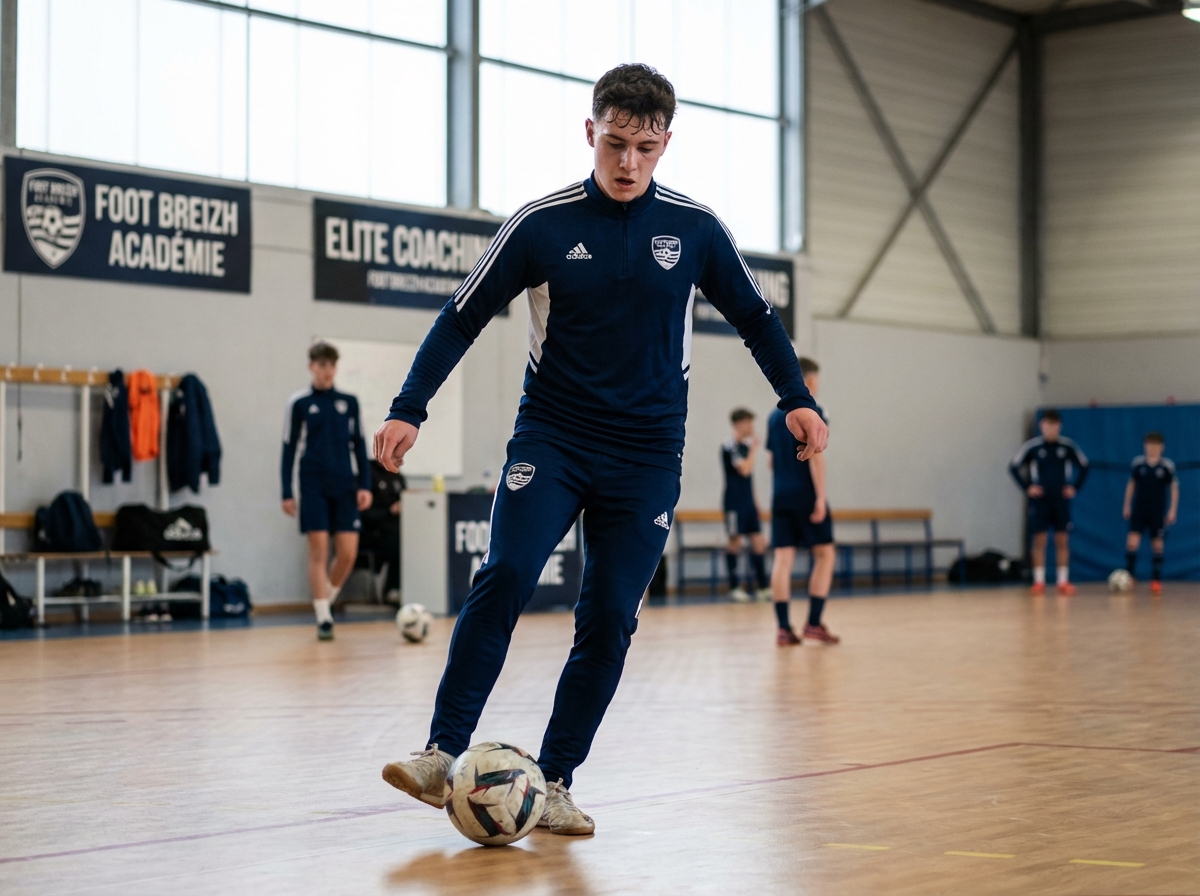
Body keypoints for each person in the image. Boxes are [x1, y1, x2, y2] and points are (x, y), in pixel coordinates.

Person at [372, 64, 827, 835]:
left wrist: (797, 397)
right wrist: (408, 407)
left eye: (645, 148)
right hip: (552, 438)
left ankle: (552, 783)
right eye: (615, 143)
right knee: (509, 571)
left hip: (648, 454)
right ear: (591, 132)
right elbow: (460, 315)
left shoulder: (696, 228)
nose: (627, 163)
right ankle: (439, 750)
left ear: (665, 143)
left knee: (611, 616)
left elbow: (756, 315)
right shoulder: (540, 225)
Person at [280, 341, 373, 640]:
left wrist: (365, 485)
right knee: (319, 549)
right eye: (321, 365)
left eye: (331, 365)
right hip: (313, 484)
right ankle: (324, 619)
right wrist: (287, 491)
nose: (327, 371)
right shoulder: (300, 403)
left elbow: (359, 445)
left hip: (345, 484)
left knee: (347, 553)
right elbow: (289, 448)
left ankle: (325, 603)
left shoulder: (350, 402)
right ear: (312, 367)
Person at [767, 357, 839, 646]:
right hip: (805, 493)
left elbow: (771, 462)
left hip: (780, 494)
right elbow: (816, 459)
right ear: (809, 381)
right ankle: (812, 623)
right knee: (825, 554)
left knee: (782, 559)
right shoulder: (813, 411)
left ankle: (784, 629)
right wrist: (820, 498)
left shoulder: (775, 416)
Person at [1009, 410, 1089, 596]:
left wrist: (1074, 487)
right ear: (1041, 426)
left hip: (1060, 499)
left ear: (1059, 427)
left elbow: (1084, 466)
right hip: (1041, 500)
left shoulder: (1067, 446)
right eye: (1047, 425)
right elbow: (1013, 467)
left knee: (1062, 539)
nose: (1050, 429)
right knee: (1039, 539)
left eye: (1054, 425)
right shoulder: (1033, 447)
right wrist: (1028, 487)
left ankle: (1063, 581)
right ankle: (1039, 581)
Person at [722, 408, 770, 602]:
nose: (751, 427)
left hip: (748, 503)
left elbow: (749, 478)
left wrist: (756, 504)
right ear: (738, 424)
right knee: (736, 542)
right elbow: (744, 469)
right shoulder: (730, 445)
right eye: (748, 422)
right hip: (734, 503)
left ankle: (763, 588)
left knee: (759, 542)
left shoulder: (745, 447)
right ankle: (734, 587)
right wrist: (755, 449)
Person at [1123, 431, 1178, 595]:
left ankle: (1156, 579)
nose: (1152, 448)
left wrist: (1172, 510)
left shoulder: (1166, 466)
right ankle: (1130, 577)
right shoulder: (1138, 463)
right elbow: (1131, 484)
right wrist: (1126, 505)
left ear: (1162, 447)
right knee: (1132, 542)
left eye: (1156, 445)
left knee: (1157, 544)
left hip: (1157, 511)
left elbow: (1174, 488)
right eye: (1149, 445)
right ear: (1145, 446)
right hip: (1140, 510)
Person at [361, 460, 406, 604]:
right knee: (397, 541)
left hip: (396, 528)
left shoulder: (398, 476)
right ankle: (392, 590)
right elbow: (363, 514)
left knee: (408, 539)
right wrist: (390, 511)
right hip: (372, 532)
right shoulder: (367, 474)